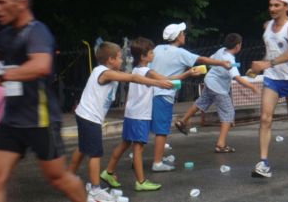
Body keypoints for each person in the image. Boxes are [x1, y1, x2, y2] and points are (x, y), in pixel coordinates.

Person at [0, 0, 86, 202]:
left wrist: (2, 76)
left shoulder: (37, 32)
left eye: (1, 2)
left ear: (21, 3)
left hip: (41, 120)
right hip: (11, 120)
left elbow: (40, 65)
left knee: (57, 178)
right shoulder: (5, 34)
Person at [67, 41, 172, 201]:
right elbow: (133, 78)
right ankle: (95, 190)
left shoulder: (103, 70)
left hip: (84, 114)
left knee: (83, 148)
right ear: (110, 59)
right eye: (120, 58)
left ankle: (68, 178)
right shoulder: (105, 72)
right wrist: (157, 83)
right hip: (90, 117)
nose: (122, 61)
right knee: (95, 153)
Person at [100, 37, 199, 191]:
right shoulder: (147, 71)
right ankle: (140, 182)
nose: (153, 55)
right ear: (143, 56)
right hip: (140, 115)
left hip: (131, 113)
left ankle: (108, 171)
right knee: (138, 148)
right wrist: (187, 74)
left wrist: (184, 75)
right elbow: (166, 80)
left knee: (125, 143)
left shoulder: (136, 70)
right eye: (151, 53)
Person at [149, 22, 232, 172]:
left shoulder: (157, 48)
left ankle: (153, 156)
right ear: (178, 36)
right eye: (182, 33)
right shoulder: (180, 53)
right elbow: (202, 60)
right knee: (162, 130)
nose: (184, 35)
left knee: (147, 128)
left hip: (149, 92)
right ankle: (157, 163)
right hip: (164, 94)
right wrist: (221, 62)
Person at [251, 0, 288, 178]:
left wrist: (266, 64)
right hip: (272, 77)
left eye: (276, 5)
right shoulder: (267, 25)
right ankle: (263, 162)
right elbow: (271, 51)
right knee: (265, 118)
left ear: (286, 7)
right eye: (270, 5)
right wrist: (258, 67)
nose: (272, 8)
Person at [174, 33, 259, 153]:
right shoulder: (229, 59)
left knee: (201, 102)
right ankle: (221, 144)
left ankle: (182, 121)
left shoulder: (221, 51)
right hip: (218, 88)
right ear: (238, 46)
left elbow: (210, 62)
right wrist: (252, 87)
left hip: (209, 81)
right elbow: (237, 78)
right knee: (228, 113)